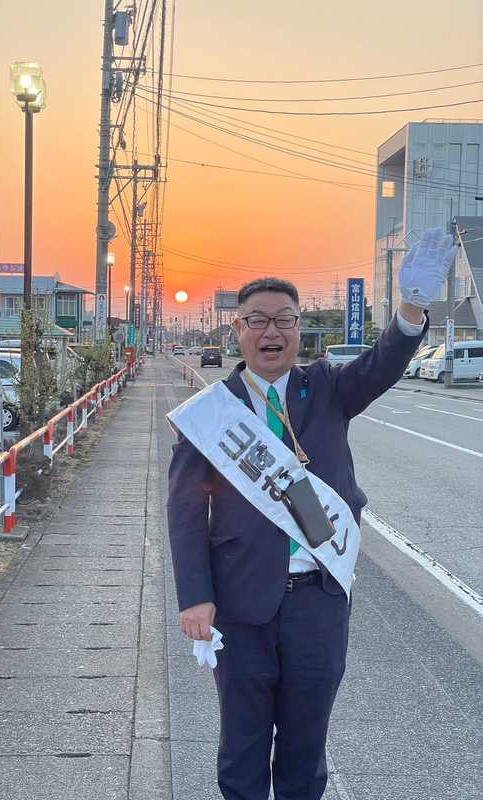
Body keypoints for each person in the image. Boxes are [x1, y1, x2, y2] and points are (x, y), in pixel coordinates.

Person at [167, 229, 455, 800]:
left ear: (299, 329)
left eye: (284, 320)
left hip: (318, 603)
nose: (271, 332)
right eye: (257, 320)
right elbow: (184, 510)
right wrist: (195, 597)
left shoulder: (328, 388)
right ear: (237, 329)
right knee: (243, 746)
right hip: (240, 605)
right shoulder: (211, 415)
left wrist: (411, 310)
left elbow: (381, 365)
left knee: (306, 747)